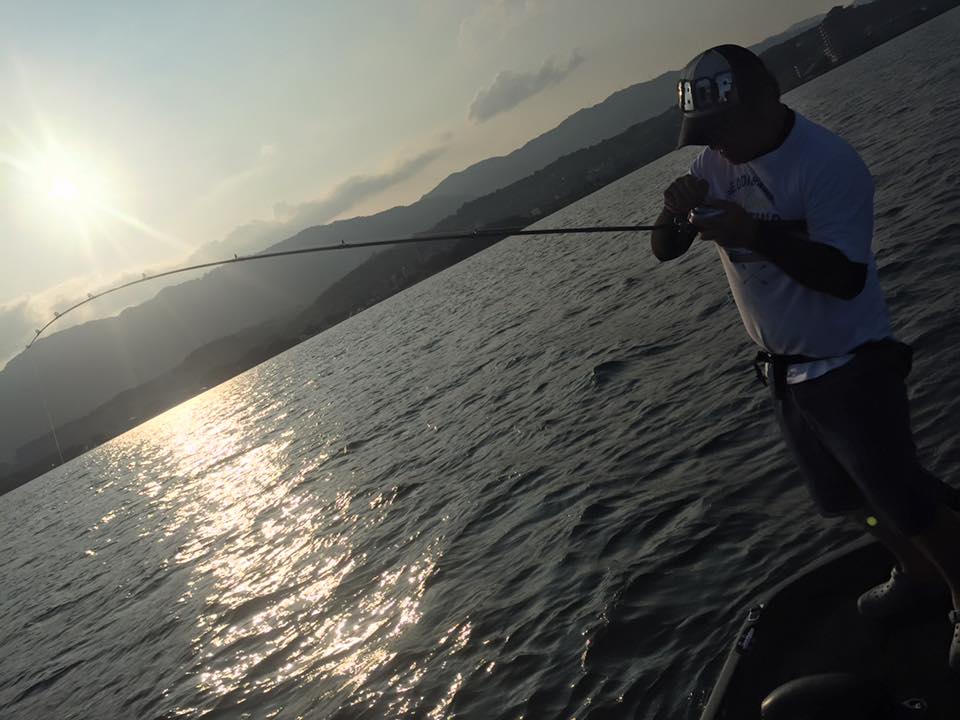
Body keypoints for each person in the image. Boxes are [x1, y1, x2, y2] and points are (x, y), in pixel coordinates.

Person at [650, 44, 960, 670]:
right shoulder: (715, 162)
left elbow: (845, 277)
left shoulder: (826, 163)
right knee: (851, 503)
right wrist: (673, 209)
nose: (717, 146)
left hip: (851, 363)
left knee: (906, 502)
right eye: (705, 135)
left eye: (724, 128)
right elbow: (664, 248)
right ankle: (916, 571)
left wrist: (752, 234)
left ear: (765, 101)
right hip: (786, 373)